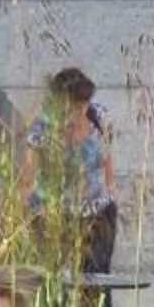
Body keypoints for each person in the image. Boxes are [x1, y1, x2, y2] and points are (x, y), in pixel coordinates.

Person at [18, 67, 119, 277]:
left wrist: (111, 193)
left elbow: (107, 159)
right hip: (56, 216)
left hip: (97, 213)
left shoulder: (99, 118)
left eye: (84, 103)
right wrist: (29, 216)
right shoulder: (42, 129)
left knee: (97, 280)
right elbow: (27, 179)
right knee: (57, 281)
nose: (80, 110)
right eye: (74, 105)